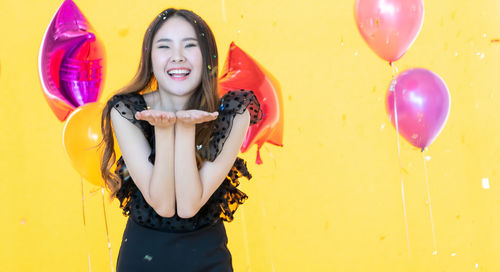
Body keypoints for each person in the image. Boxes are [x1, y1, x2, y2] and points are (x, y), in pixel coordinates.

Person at [99, 8, 262, 272]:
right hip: (143, 259)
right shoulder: (126, 109)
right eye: (164, 46)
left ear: (208, 57)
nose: (177, 57)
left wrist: (186, 128)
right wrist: (163, 131)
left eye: (190, 45)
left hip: (207, 259)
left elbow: (188, 206)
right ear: (150, 58)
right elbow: (163, 205)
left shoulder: (234, 110)